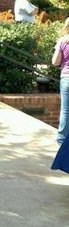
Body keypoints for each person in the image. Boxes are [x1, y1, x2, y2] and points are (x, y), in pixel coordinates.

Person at [52, 17, 69, 146]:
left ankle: (62, 139)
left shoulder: (63, 41)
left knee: (65, 110)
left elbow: (55, 62)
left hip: (67, 77)